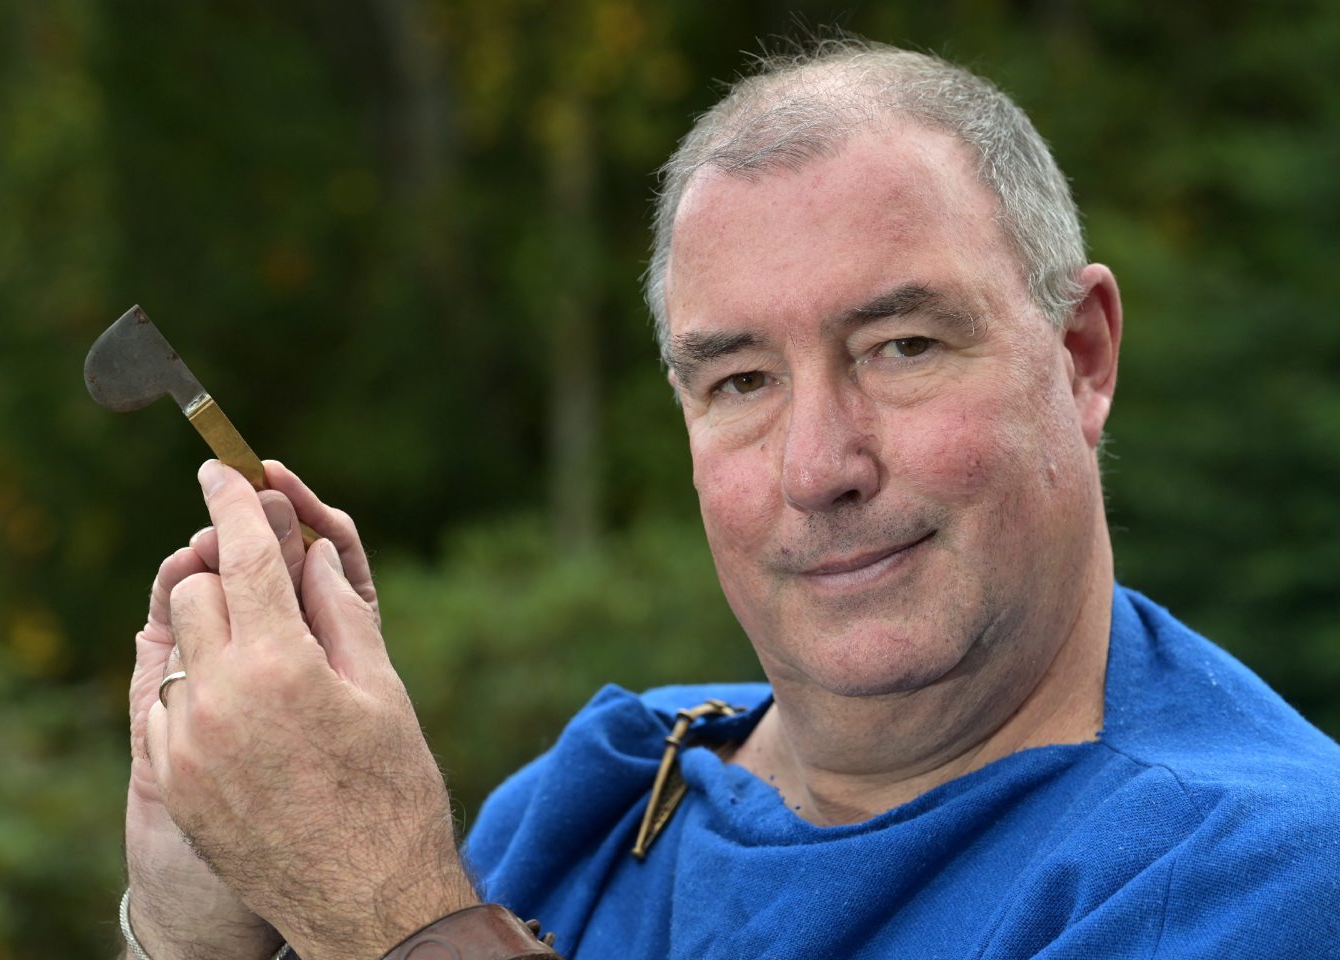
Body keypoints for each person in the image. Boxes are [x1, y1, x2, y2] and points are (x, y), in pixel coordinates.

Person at [117, 40, 1340, 960]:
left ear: (1081, 357)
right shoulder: (600, 796)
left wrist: (380, 906)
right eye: (742, 379)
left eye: (902, 346)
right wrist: (208, 928)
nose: (820, 464)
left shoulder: (1254, 876)